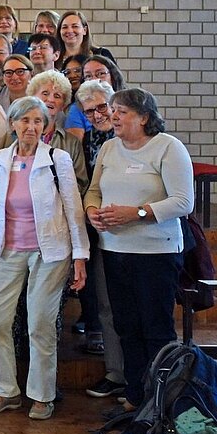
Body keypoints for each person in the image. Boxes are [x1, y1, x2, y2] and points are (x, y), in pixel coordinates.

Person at [0, 96, 88, 420]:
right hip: (10, 249)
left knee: (39, 322)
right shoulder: (0, 159)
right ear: (13, 124)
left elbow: (73, 209)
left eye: (37, 121)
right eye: (24, 120)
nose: (30, 127)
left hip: (50, 252)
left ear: (45, 126)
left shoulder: (58, 159)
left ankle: (42, 395)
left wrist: (80, 256)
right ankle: (5, 391)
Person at [85, 88, 193, 412]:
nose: (113, 116)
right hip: (115, 250)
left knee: (155, 327)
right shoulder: (108, 148)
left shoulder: (168, 148)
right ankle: (135, 394)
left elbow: (183, 202)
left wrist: (136, 213)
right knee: (126, 325)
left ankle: (161, 398)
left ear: (144, 117)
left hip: (156, 253)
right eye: (113, 110)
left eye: (121, 112)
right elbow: (92, 190)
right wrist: (91, 211)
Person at [75, 79, 126, 399]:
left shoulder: (136, 138)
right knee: (106, 305)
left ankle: (148, 377)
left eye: (102, 107)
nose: (96, 115)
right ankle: (116, 373)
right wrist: (91, 209)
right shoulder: (90, 139)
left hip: (138, 231)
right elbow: (88, 186)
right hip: (100, 230)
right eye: (89, 111)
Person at [65, 55, 126, 140]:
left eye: (101, 74)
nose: (94, 79)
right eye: (88, 76)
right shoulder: (77, 109)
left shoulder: (130, 104)